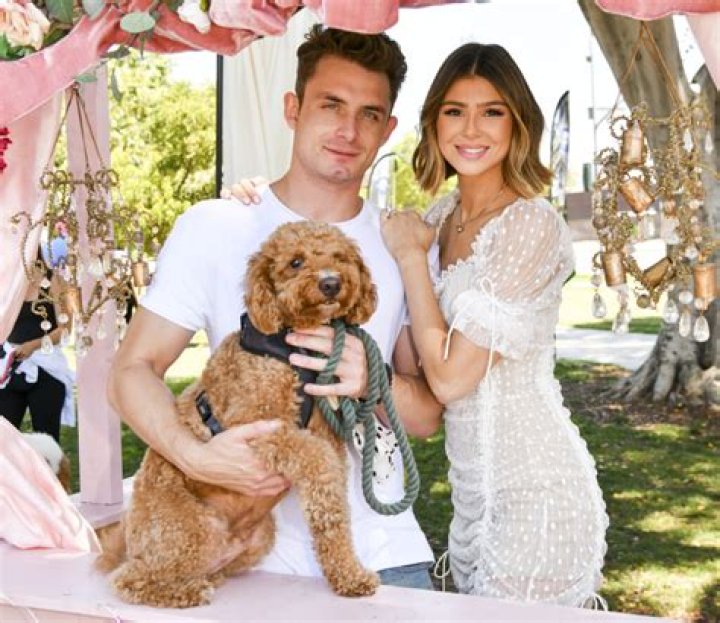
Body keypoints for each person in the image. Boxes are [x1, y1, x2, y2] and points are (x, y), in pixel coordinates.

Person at [108, 25, 442, 589]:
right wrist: (194, 457)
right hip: (241, 555)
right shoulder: (216, 226)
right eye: (330, 105)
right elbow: (130, 371)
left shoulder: (401, 245)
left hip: (383, 552)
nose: (348, 130)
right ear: (293, 108)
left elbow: (427, 417)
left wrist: (374, 379)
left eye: (368, 114)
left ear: (388, 129)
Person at [377, 43, 608, 606]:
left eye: (492, 111)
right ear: (434, 123)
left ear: (517, 123)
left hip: (539, 490)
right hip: (470, 501)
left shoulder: (530, 224)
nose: (471, 129)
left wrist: (410, 259)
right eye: (455, 111)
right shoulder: (437, 220)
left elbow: (451, 379)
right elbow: (417, 372)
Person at [0, 257, 75, 443]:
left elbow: (65, 329)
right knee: (4, 438)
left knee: (47, 440)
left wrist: (32, 346)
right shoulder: (9, 280)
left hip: (47, 368)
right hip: (11, 368)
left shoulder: (54, 279)